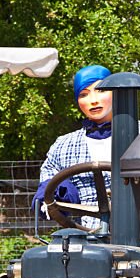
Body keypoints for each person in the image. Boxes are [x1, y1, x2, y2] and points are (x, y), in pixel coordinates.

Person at [33, 64, 113, 224]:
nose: (93, 100)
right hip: (86, 235)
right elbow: (48, 185)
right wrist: (56, 194)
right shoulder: (63, 145)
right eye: (84, 94)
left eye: (101, 90)